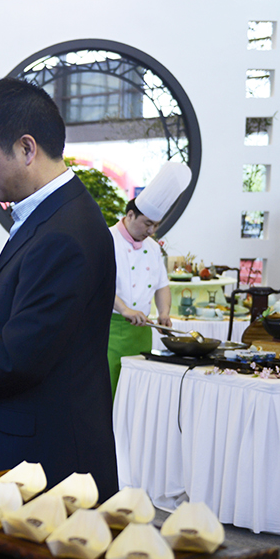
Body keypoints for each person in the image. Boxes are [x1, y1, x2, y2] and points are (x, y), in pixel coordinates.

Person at [0, 78, 118, 498]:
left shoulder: (65, 233)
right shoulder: (51, 215)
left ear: (26, 149)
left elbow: (20, 355)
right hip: (28, 441)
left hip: (49, 457)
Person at [106, 161, 191, 398]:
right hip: (110, 331)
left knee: (137, 395)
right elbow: (100, 285)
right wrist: (125, 309)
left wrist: (164, 313)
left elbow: (162, 285)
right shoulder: (106, 239)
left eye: (155, 225)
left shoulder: (153, 248)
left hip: (143, 331)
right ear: (130, 215)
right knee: (109, 392)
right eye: (147, 224)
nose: (151, 231)